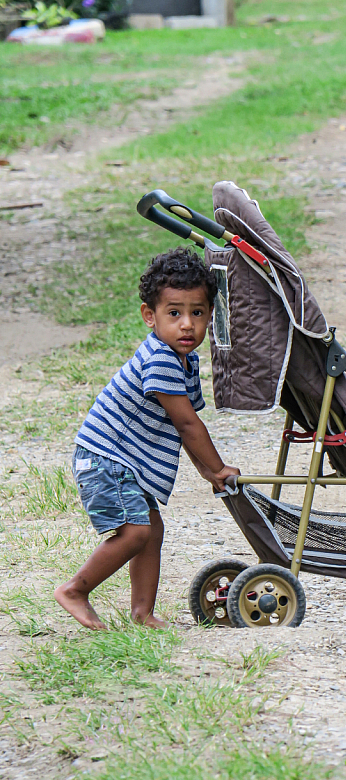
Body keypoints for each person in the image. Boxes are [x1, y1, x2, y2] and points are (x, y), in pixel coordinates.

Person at [54, 247, 239, 630]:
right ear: (149, 316)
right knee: (135, 531)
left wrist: (207, 471)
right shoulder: (161, 359)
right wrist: (217, 467)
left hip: (123, 460)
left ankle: (142, 613)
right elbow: (188, 425)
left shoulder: (183, 358)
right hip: (106, 458)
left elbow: (180, 425)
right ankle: (75, 589)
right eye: (174, 313)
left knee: (152, 530)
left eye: (198, 312)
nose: (187, 325)